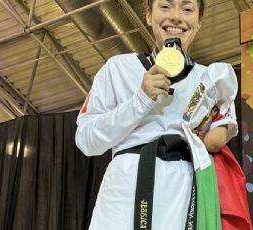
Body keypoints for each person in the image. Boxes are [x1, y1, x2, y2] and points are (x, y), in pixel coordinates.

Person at [75, 0, 241, 229]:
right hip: (124, 191)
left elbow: (217, 140)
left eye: (187, 8)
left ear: (199, 21)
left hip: (185, 191)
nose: (176, 16)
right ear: (148, 16)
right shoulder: (117, 68)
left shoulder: (213, 80)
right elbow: (86, 140)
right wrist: (140, 100)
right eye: (165, 6)